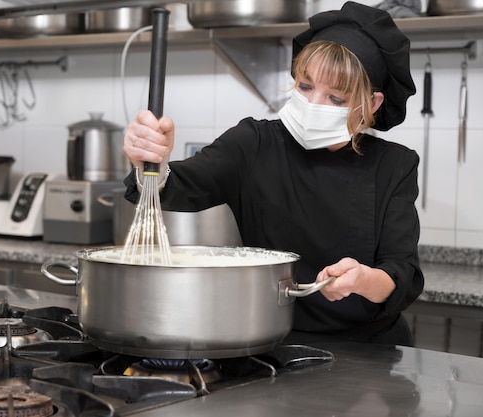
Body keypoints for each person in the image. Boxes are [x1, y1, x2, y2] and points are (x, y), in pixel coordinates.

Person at [122, 1, 424, 346]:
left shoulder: (394, 166)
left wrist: (363, 279)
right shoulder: (254, 143)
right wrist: (151, 161)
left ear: (371, 105)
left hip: (370, 350)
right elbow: (174, 187)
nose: (313, 105)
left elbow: (402, 272)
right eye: (306, 87)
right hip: (273, 341)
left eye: (336, 98)